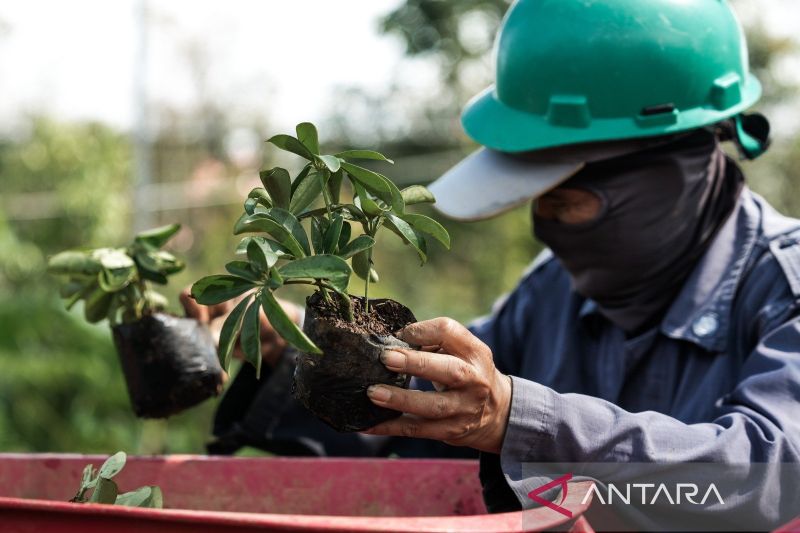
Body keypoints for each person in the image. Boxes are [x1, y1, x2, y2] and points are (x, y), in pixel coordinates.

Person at [183, 0, 800, 528]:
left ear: (673, 174)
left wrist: (520, 420)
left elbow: (767, 477)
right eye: (540, 203)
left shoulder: (783, 288)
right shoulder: (554, 295)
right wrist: (303, 355)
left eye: (570, 203)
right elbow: (438, 421)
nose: (549, 231)